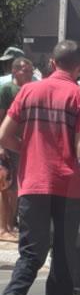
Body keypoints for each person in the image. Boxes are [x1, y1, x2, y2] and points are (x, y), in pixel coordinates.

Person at [0, 40, 80, 295]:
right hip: (67, 186)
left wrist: (28, 149)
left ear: (51, 63)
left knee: (31, 252)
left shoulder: (28, 91)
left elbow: (4, 135)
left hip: (33, 184)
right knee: (62, 256)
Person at [0, 58, 34, 241]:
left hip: (22, 145)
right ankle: (3, 228)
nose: (28, 74)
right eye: (24, 70)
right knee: (5, 188)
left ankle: (10, 225)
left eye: (30, 71)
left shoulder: (30, 90)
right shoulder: (6, 90)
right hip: (7, 144)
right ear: (14, 71)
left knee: (15, 189)